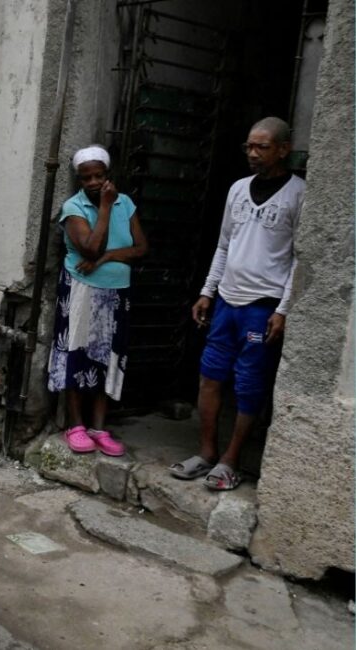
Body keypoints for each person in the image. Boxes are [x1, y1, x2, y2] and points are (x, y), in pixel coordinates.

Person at [169, 117, 304, 491]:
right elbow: (225, 245)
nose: (253, 154)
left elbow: (299, 257)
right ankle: (207, 452)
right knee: (210, 375)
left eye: (262, 147)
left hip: (262, 305)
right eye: (249, 146)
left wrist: (283, 309)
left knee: (249, 384)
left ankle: (231, 460)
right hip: (227, 299)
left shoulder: (298, 194)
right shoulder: (238, 190)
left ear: (283, 149)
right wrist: (207, 291)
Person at [48, 145, 149, 456]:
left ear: (108, 175)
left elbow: (141, 249)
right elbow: (89, 248)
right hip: (81, 289)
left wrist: (107, 257)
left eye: (98, 176)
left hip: (117, 292)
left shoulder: (126, 203)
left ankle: (99, 428)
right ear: (79, 180)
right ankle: (76, 425)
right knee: (77, 353)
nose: (93, 182)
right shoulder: (74, 208)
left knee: (107, 357)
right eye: (86, 177)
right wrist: (104, 207)